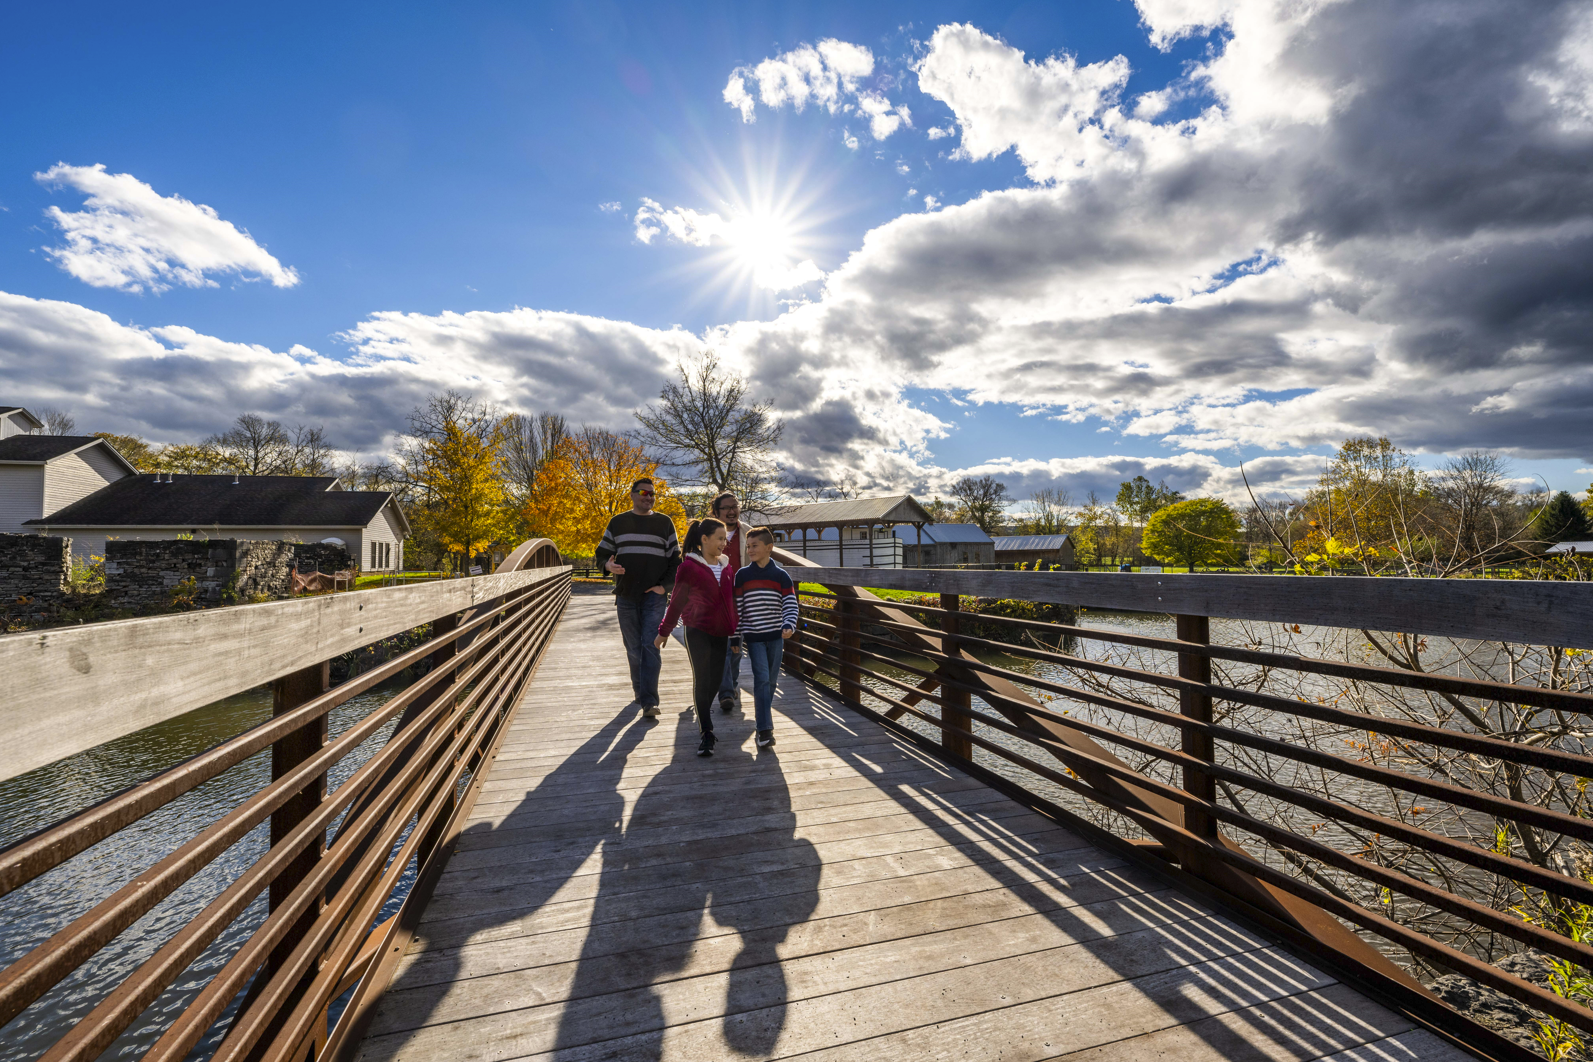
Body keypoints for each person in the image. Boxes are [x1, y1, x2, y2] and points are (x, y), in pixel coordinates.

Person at [594, 478, 680, 718]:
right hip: (626, 595)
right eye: (644, 492)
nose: (649, 497)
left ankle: (650, 701)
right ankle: (641, 691)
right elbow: (601, 555)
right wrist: (608, 567)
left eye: (653, 494)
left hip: (654, 596)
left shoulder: (664, 523)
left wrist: (665, 587)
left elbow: (676, 561)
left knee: (650, 645)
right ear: (632, 495)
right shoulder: (618, 522)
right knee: (633, 648)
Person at [655, 518, 738, 756]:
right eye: (720, 538)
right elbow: (677, 601)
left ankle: (703, 713)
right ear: (704, 539)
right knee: (702, 680)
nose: (724, 543)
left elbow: (731, 603)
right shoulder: (689, 567)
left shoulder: (727, 567)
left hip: (721, 632)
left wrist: (734, 633)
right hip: (697, 630)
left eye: (726, 539)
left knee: (714, 681)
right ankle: (707, 732)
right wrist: (664, 631)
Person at [733, 527, 798, 748]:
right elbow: (738, 610)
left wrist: (789, 624)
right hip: (754, 637)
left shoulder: (781, 576)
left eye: (754, 546)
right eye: (747, 546)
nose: (749, 550)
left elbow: (790, 604)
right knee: (761, 680)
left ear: (769, 548)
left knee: (770, 681)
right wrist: (736, 638)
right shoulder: (742, 576)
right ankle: (764, 730)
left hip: (776, 636)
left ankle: (763, 721)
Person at [711, 491, 755, 712]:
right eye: (726, 508)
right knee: (724, 647)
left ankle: (732, 684)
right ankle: (726, 693)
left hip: (740, 597)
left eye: (734, 506)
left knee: (736, 647)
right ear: (717, 512)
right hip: (716, 597)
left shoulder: (748, 533)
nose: (731, 511)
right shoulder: (707, 532)